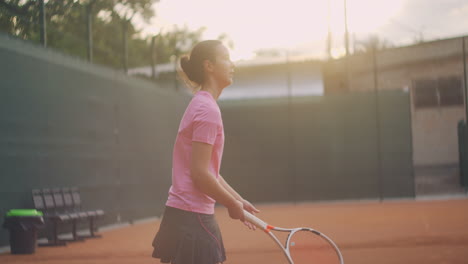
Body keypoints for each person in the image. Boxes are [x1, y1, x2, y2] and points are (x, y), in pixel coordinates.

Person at [152, 40, 259, 264]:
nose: (232, 64)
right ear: (209, 66)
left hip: (184, 214)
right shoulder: (207, 110)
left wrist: (238, 200)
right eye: (226, 58)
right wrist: (231, 204)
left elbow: (210, 171)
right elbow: (200, 174)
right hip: (193, 217)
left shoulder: (201, 104)